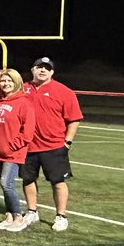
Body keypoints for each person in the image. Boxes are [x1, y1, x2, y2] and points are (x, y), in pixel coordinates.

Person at [21, 57, 83, 232]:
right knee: (28, 179)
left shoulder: (64, 91)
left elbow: (74, 119)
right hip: (28, 145)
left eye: (46, 68)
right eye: (39, 67)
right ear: (32, 69)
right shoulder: (23, 88)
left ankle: (61, 215)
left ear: (52, 72)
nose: (42, 70)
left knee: (58, 181)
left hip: (54, 146)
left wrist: (67, 143)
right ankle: (32, 211)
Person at [0, 68, 36, 232]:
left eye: (10, 81)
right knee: (4, 185)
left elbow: (28, 132)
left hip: (13, 152)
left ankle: (18, 216)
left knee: (6, 183)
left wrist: (12, 146)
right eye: (3, 80)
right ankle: (8, 216)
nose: (6, 84)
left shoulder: (24, 102)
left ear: (17, 83)